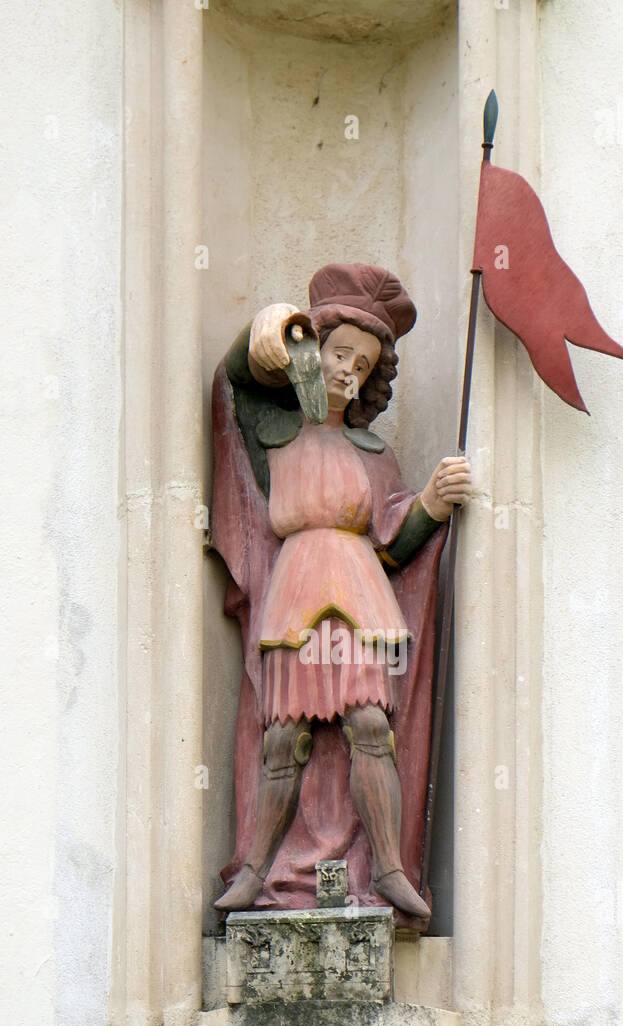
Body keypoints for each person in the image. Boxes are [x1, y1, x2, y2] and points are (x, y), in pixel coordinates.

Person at [211, 263, 471, 923]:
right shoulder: (275, 430)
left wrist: (431, 506)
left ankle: (388, 870)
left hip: (358, 587)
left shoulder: (372, 451)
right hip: (297, 588)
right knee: (282, 737)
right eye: (338, 353)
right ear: (313, 351)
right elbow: (235, 381)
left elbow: (390, 544)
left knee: (369, 727)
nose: (348, 369)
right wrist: (269, 328)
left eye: (363, 362)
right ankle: (253, 870)